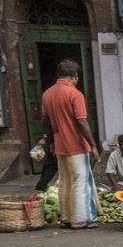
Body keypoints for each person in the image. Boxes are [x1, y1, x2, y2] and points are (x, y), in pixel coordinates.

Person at [41, 58, 101, 229]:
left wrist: (51, 141)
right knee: (79, 181)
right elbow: (82, 122)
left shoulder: (48, 94)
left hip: (60, 145)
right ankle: (79, 219)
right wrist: (93, 145)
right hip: (76, 145)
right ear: (75, 76)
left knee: (64, 181)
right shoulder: (75, 94)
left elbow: (45, 122)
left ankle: (66, 217)